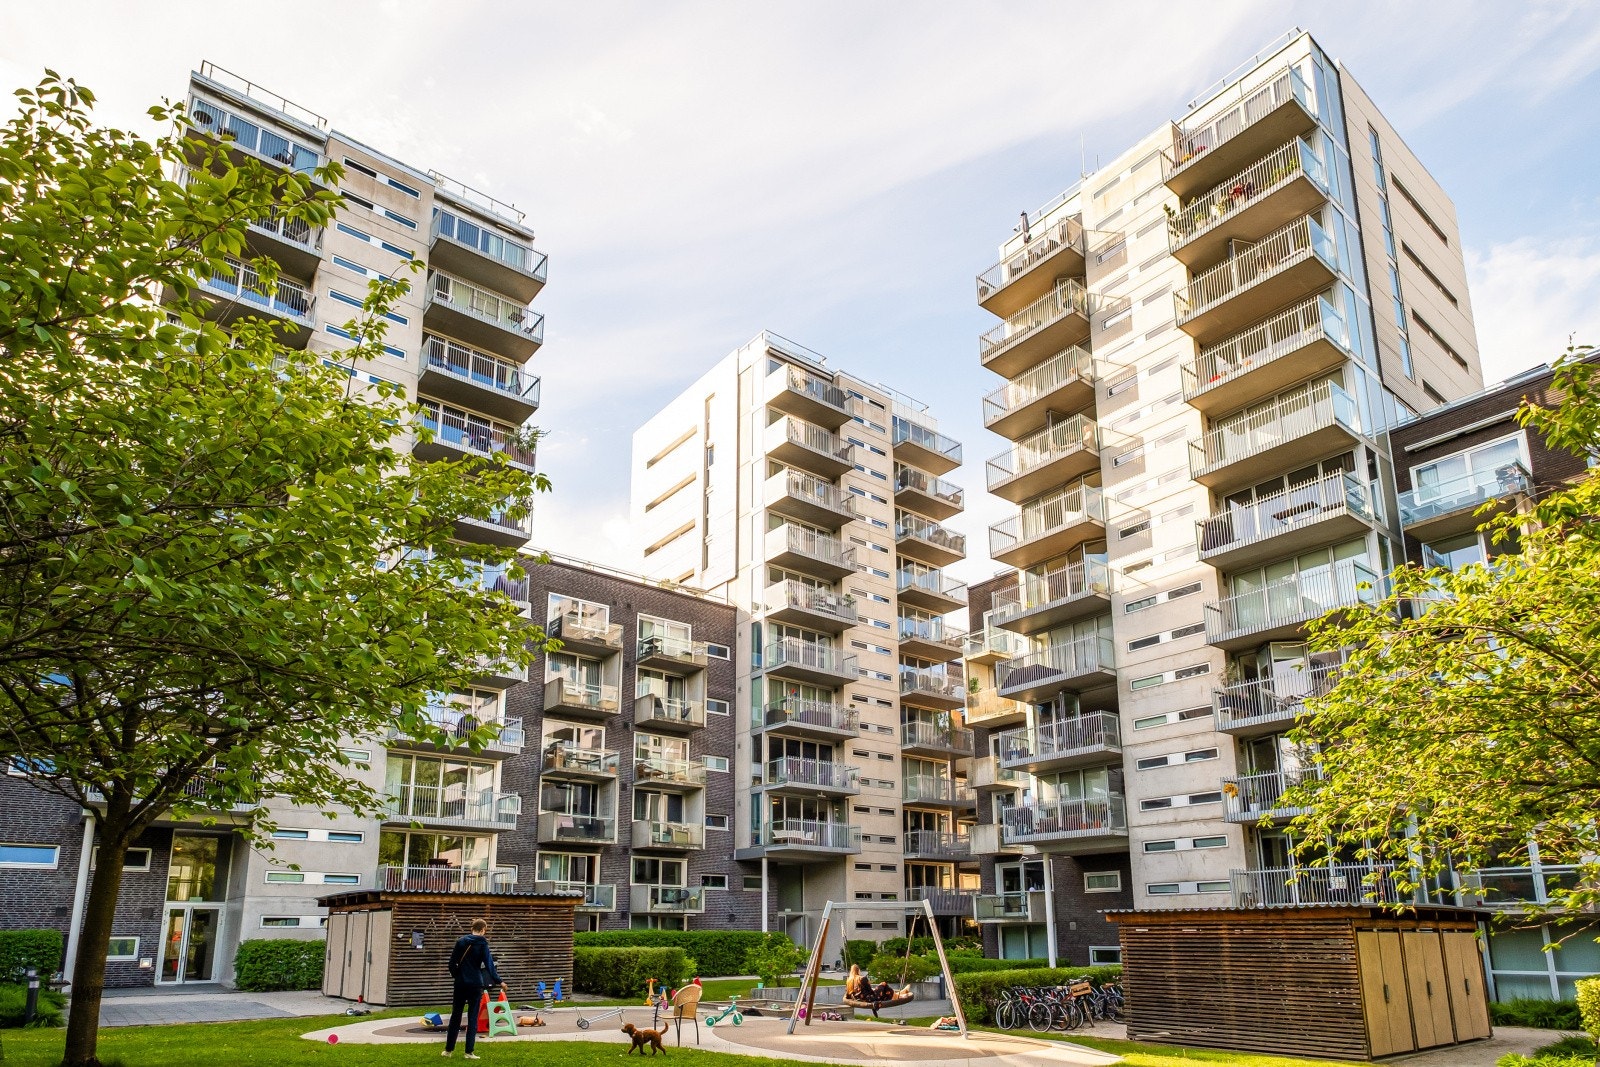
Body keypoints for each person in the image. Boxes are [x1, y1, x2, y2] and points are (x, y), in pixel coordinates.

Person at [444, 918, 506, 1059]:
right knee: (473, 1018)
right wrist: (499, 981)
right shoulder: (482, 944)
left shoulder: (460, 942)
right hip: (475, 984)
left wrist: (457, 975)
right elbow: (489, 965)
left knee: (456, 1016)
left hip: (460, 984)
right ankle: (469, 1052)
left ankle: (448, 1050)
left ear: (472, 928)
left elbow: (452, 963)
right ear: (483, 929)